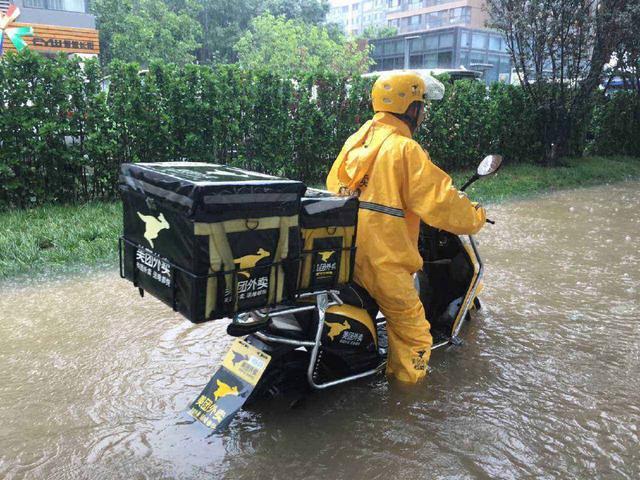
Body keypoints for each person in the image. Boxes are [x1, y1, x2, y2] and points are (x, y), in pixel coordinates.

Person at [326, 71, 486, 384]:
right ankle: (406, 403)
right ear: (410, 108)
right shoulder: (405, 149)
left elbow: (336, 186)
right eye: (421, 106)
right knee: (414, 335)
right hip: (385, 264)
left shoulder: (356, 142)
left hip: (349, 257)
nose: (423, 113)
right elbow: (441, 202)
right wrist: (476, 215)